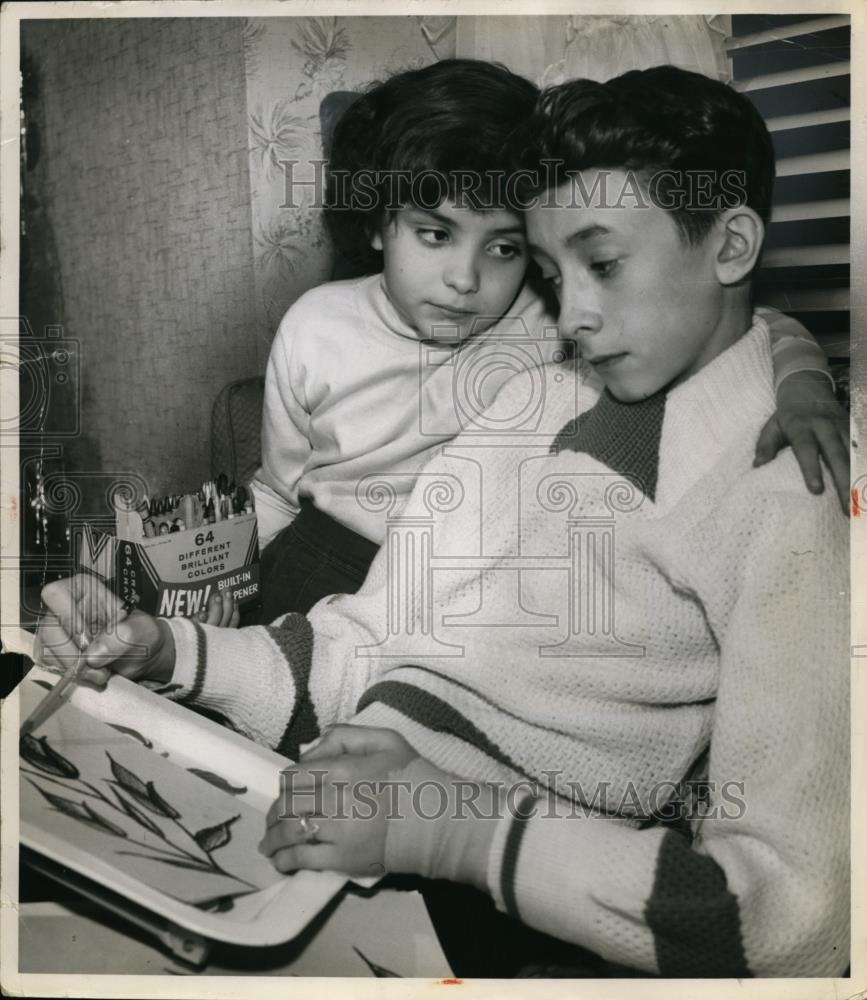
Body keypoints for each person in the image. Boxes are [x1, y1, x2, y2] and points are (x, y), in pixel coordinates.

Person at [36, 65, 849, 977]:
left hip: (508, 888)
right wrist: (166, 649)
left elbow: (795, 922)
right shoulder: (527, 401)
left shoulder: (792, 486)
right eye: (550, 271)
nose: (570, 314)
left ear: (730, 243)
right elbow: (361, 650)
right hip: (332, 785)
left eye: (603, 262)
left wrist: (455, 835)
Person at [248, 58, 846, 623]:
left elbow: (756, 325)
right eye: (435, 234)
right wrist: (230, 585)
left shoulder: (548, 315)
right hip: (318, 560)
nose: (465, 279)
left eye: (504, 248)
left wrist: (806, 389)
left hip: (464, 578)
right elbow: (277, 488)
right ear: (379, 223)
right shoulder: (315, 324)